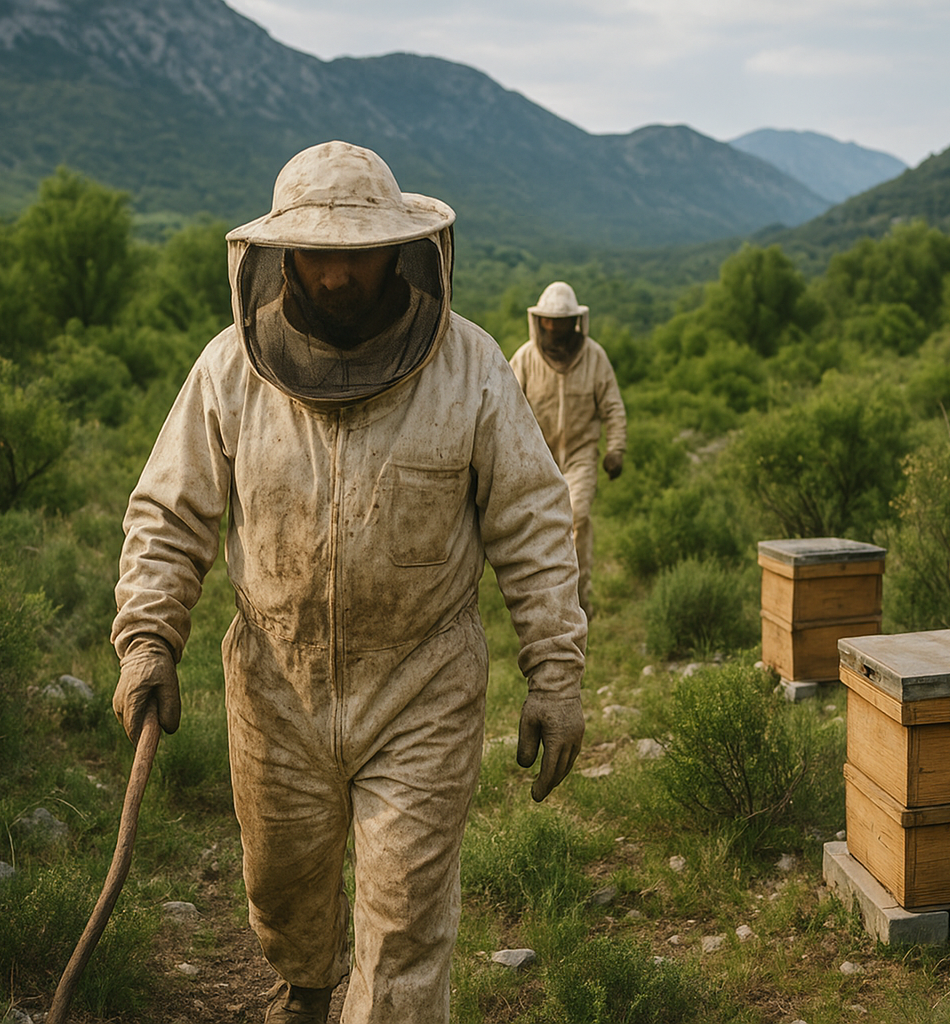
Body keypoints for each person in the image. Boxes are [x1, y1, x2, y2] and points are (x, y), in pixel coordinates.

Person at [108, 141, 587, 1024]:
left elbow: (533, 522)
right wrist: (147, 640)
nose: (334, 277)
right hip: (273, 684)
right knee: (282, 891)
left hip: (422, 685)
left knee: (405, 926)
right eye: (316, 256)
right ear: (281, 257)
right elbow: (169, 514)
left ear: (398, 251)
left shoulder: (472, 368)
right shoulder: (228, 369)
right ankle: (304, 983)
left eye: (354, 255)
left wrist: (555, 673)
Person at [508, 282, 627, 620]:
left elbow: (613, 407)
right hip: (538, 458)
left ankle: (578, 603)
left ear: (575, 321)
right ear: (540, 321)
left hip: (581, 455)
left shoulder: (595, 357)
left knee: (578, 518)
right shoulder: (526, 359)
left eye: (561, 321)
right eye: (549, 320)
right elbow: (506, 408)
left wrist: (616, 448)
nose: (555, 328)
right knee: (539, 531)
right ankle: (543, 604)